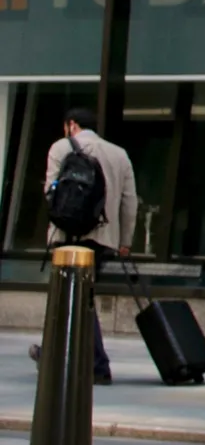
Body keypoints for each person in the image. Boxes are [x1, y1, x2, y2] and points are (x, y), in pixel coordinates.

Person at [30, 108, 137, 386]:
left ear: (72, 125)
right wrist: (125, 241)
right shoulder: (119, 153)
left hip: (66, 235)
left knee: (72, 299)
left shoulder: (61, 147)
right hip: (101, 238)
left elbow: (50, 192)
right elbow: (130, 202)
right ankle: (56, 355)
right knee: (78, 299)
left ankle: (95, 364)